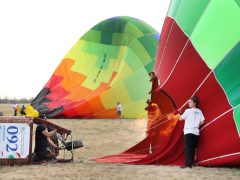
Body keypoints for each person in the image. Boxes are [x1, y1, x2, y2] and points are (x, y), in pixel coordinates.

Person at [179, 96, 205, 168]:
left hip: (188, 131)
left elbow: (180, 119)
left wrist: (179, 115)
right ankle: (192, 163)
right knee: (193, 148)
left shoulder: (187, 111)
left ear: (195, 103)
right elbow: (202, 121)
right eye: (188, 102)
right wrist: (196, 124)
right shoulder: (199, 111)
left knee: (188, 149)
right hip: (196, 132)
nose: (188, 103)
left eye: (190, 102)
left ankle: (188, 165)